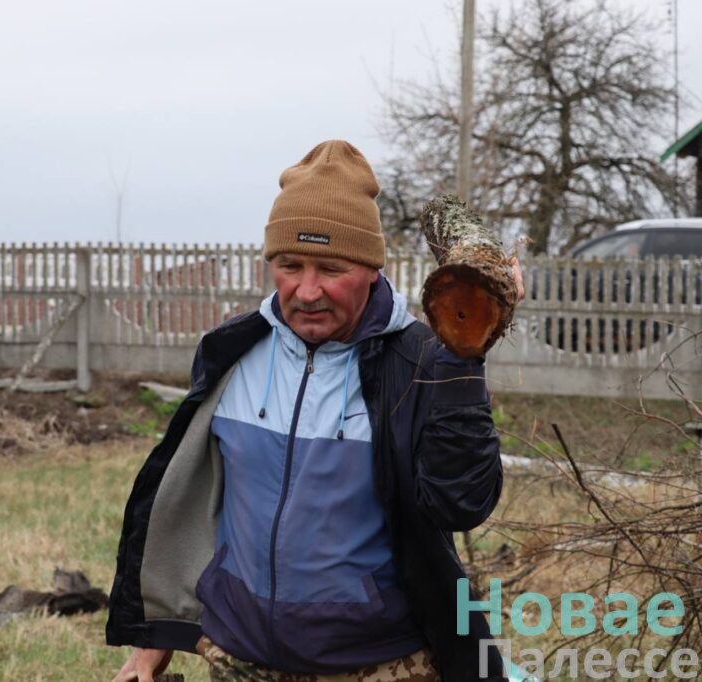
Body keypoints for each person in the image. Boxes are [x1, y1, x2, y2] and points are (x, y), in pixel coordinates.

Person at [107, 140, 523, 682]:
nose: (306, 291)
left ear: (371, 268)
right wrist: (157, 635)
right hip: (238, 656)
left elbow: (461, 503)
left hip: (379, 663)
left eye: (330, 268)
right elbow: (189, 499)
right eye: (289, 265)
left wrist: (464, 362)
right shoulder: (233, 352)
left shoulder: (419, 362)